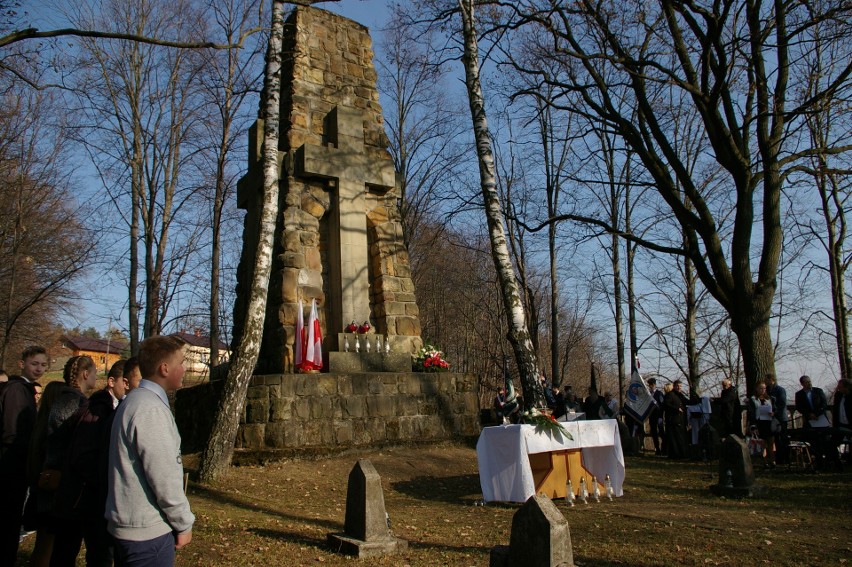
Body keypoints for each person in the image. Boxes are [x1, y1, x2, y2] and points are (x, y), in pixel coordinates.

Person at [106, 335, 195, 565]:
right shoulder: (150, 409)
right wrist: (183, 522)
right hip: (146, 535)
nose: (185, 368)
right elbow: (164, 476)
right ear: (164, 369)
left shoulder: (134, 401)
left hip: (133, 529)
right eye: (181, 362)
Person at [44, 355, 100, 566]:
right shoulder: (73, 401)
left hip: (62, 478)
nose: (96, 377)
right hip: (64, 481)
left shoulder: (67, 398)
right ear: (86, 374)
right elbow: (70, 441)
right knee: (64, 548)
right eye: (94, 373)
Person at [0, 346, 44, 565]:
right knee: (8, 523)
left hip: (15, 468)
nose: (39, 369)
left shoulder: (25, 390)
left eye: (43, 365)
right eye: (34, 364)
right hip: (11, 469)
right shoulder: (17, 390)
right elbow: (13, 433)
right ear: (22, 364)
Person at [25, 380, 66, 567]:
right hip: (49, 497)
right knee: (46, 548)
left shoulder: (39, 425)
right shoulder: (51, 433)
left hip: (38, 494)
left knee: (43, 547)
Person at [794, 375, 835, 471]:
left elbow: (824, 404)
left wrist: (817, 413)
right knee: (814, 442)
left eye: (810, 381)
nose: (809, 383)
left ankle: (829, 462)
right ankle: (818, 461)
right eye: (807, 382)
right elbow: (799, 407)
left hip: (821, 419)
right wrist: (809, 414)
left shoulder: (818, 391)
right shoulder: (799, 394)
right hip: (809, 420)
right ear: (802, 384)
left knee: (825, 441)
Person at [747, 382, 777, 468]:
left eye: (764, 388)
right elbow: (751, 413)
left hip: (769, 422)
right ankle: (765, 462)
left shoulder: (770, 398)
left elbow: (775, 409)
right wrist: (753, 425)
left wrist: (773, 413)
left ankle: (772, 460)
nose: (763, 390)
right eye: (761, 388)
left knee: (771, 442)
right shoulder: (753, 399)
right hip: (759, 422)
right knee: (762, 443)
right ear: (756, 389)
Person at [765, 374, 789, 465]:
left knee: (782, 438)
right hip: (771, 418)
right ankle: (777, 458)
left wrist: (775, 412)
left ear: (771, 380)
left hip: (780, 418)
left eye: (766, 379)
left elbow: (782, 404)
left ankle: (785, 458)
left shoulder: (780, 390)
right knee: (775, 439)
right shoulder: (767, 390)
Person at [663, 380, 689, 459]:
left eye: (680, 386)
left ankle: (682, 454)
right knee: (674, 439)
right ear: (674, 386)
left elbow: (687, 402)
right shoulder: (670, 395)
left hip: (681, 420)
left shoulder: (680, 395)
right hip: (673, 420)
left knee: (681, 438)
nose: (679, 388)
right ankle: (675, 455)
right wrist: (676, 409)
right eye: (677, 386)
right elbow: (666, 404)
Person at [831, 378, 852, 471]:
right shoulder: (838, 395)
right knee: (831, 444)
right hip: (840, 425)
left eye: (840, 387)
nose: (838, 388)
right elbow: (836, 410)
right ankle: (838, 466)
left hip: (850, 425)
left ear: (846, 387)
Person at [647, 378, 665, 454]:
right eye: (649, 385)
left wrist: (661, 416)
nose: (651, 386)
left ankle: (664, 448)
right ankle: (657, 449)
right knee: (654, 433)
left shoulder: (659, 394)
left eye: (652, 385)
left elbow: (662, 405)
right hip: (651, 416)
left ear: (654, 385)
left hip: (658, 416)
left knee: (661, 433)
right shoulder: (648, 394)